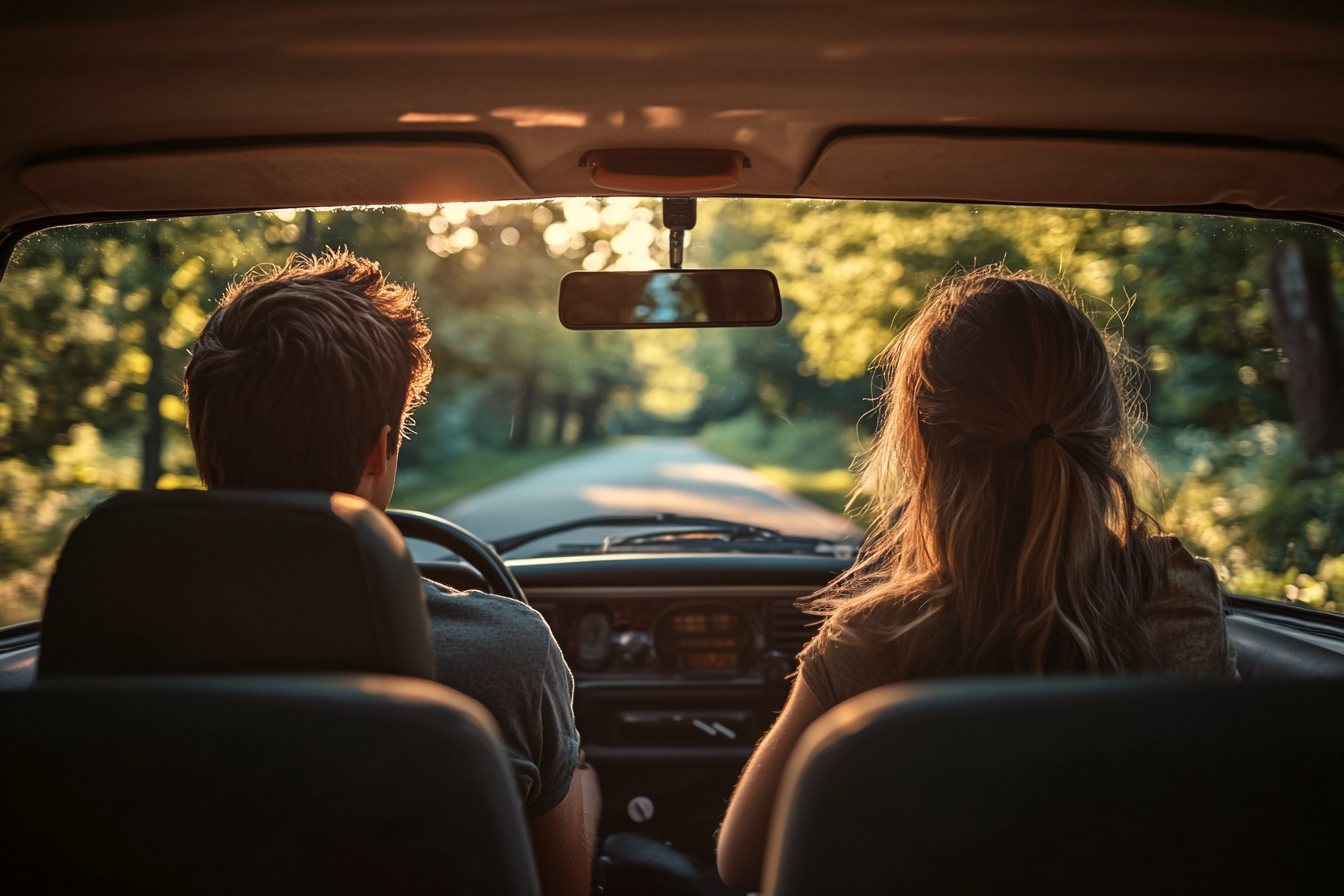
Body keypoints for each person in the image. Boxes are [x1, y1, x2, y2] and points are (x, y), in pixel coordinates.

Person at [715, 268, 1239, 892]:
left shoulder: (878, 638)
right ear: (1109, 434)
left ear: (922, 444)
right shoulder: (1180, 598)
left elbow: (740, 860)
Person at [182, 250, 594, 896]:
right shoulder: (506, 656)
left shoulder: (105, 652)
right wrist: (582, 787)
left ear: (205, 445)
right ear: (380, 451)